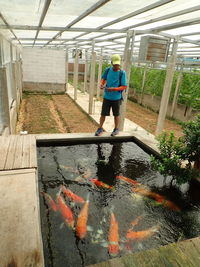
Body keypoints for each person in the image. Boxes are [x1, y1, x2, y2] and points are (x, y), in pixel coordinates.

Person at [95, 54, 127, 136]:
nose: (116, 66)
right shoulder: (108, 70)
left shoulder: (122, 73)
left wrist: (114, 89)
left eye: (118, 64)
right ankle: (100, 128)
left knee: (116, 114)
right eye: (115, 64)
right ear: (112, 63)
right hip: (107, 97)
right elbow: (103, 78)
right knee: (103, 114)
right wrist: (102, 85)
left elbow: (124, 86)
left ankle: (116, 129)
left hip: (116, 98)